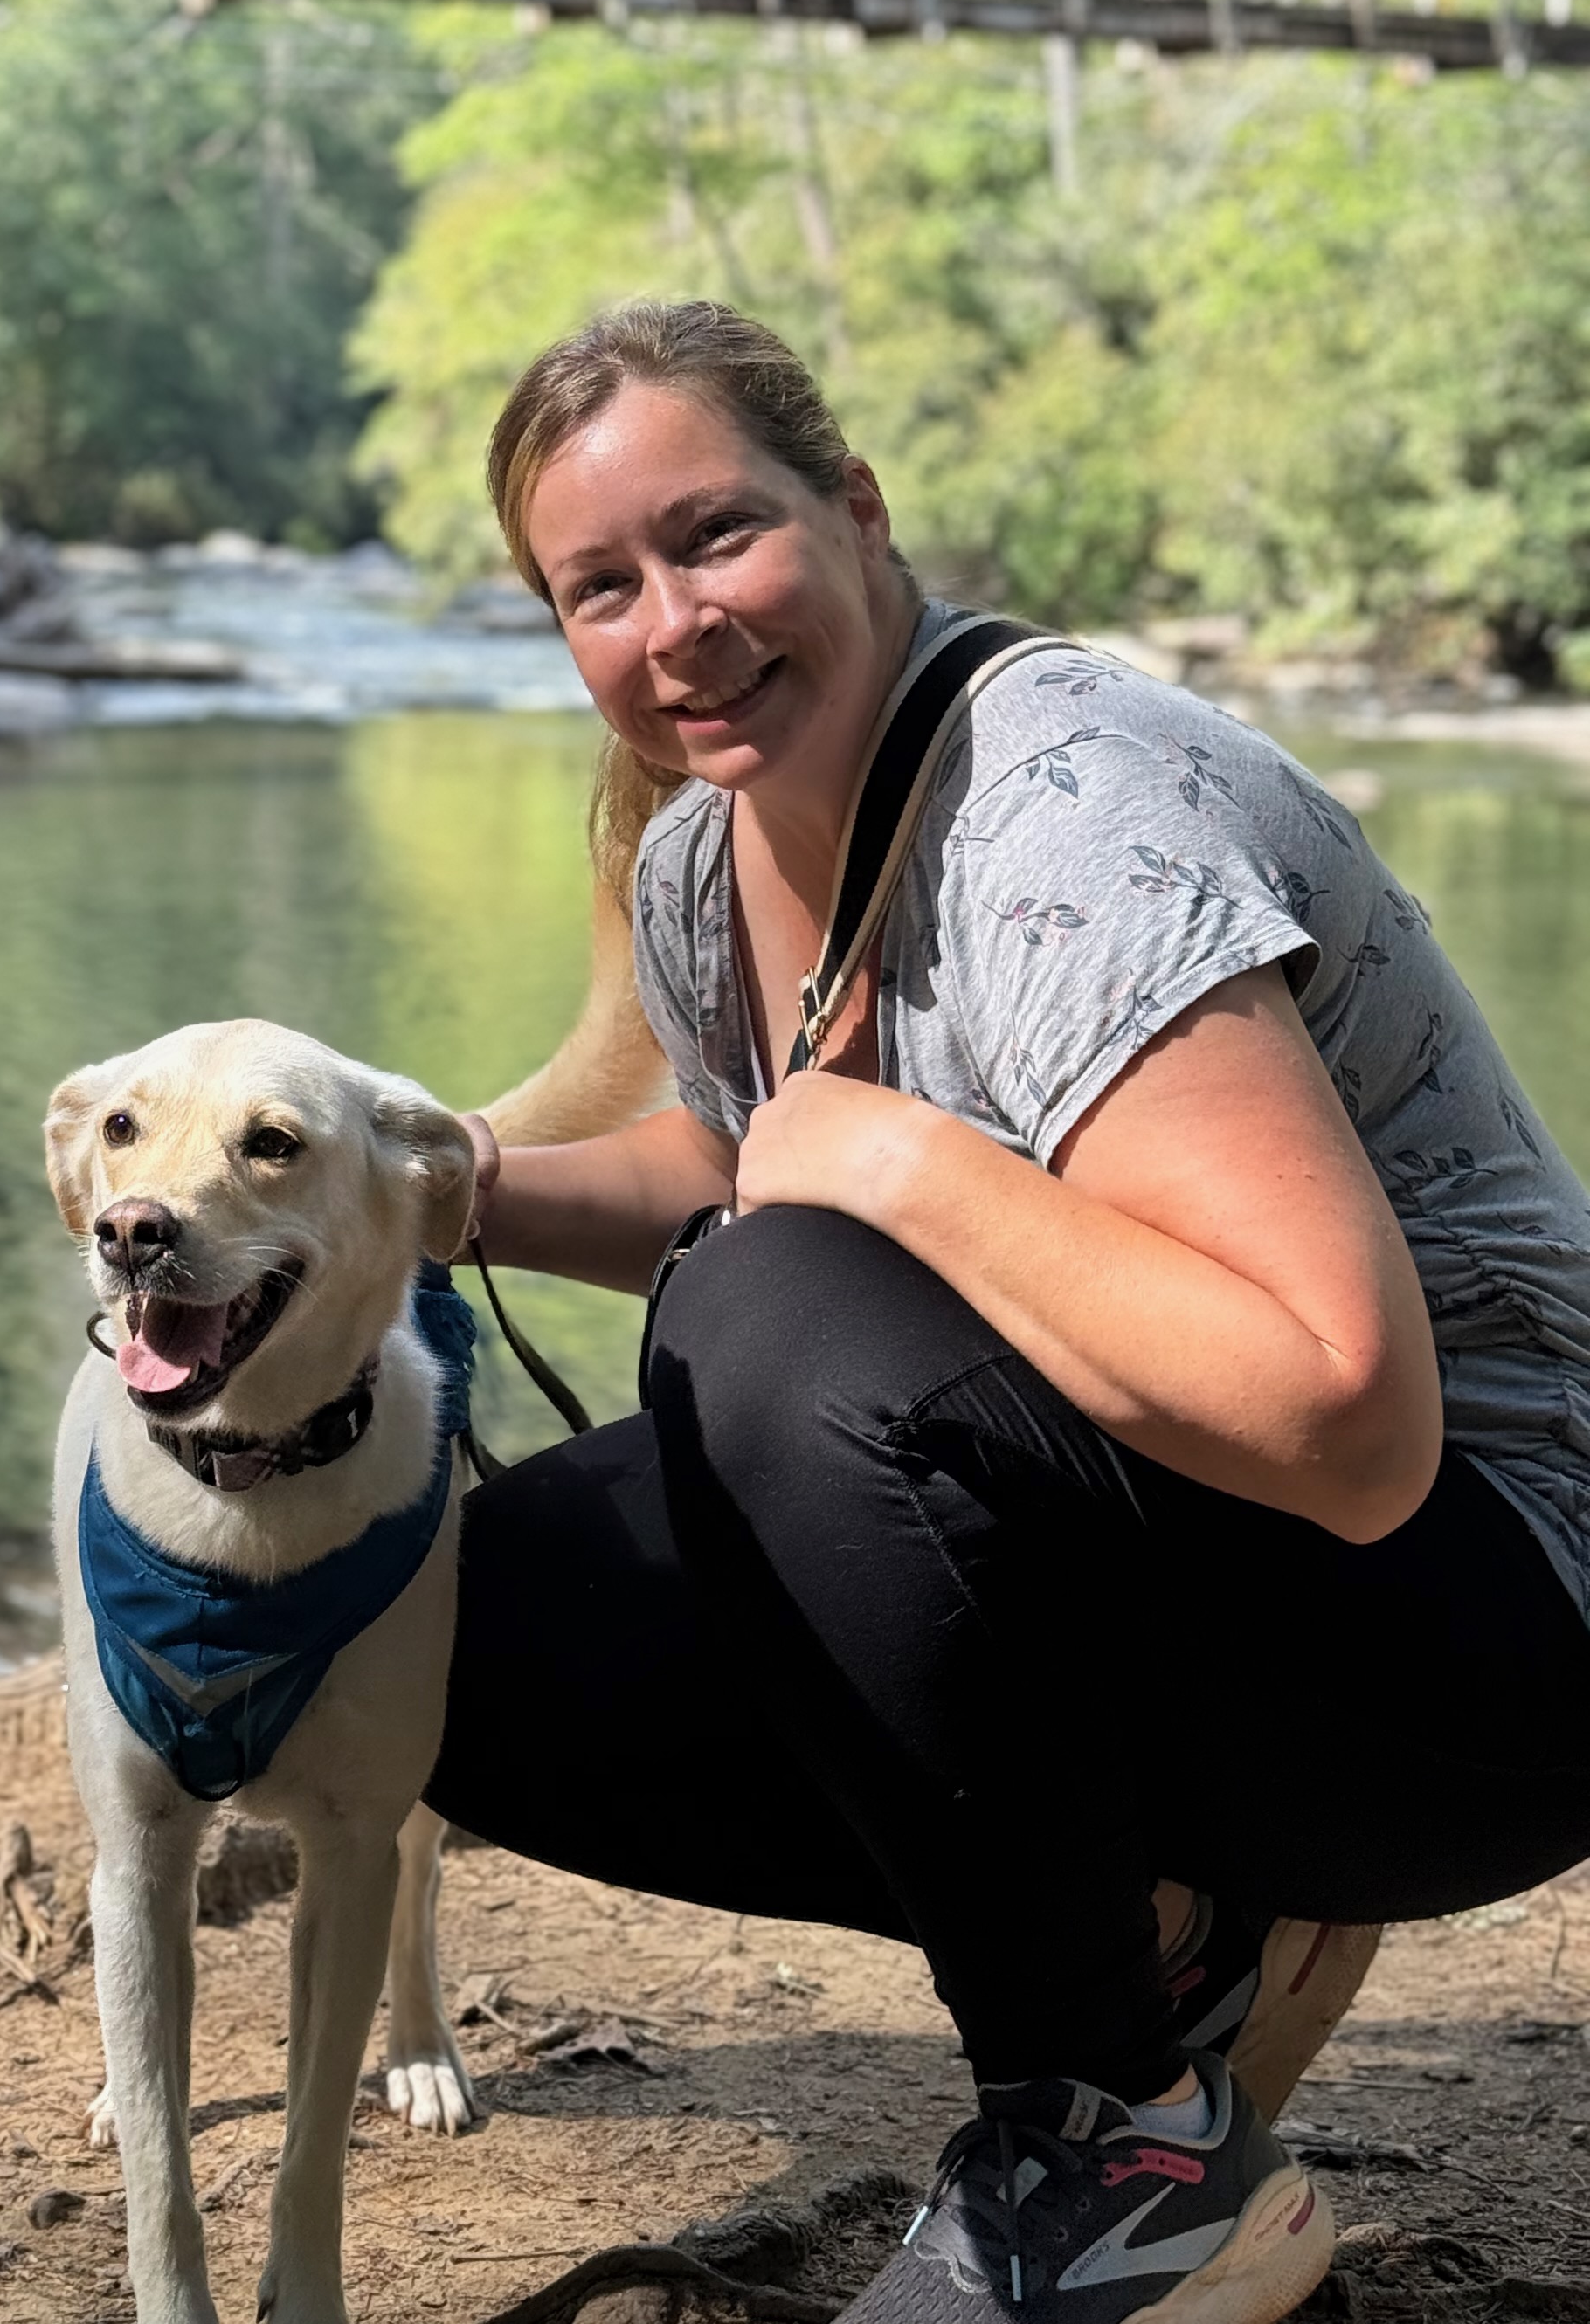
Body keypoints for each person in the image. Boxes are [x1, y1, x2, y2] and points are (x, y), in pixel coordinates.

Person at [429, 298, 1590, 2324]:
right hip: (1252, 1582)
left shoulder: (1065, 815)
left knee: (766, 1323)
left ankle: (1118, 2153)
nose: (672, 625)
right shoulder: (714, 862)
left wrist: (886, 1162)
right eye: (594, 586)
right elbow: (747, 1171)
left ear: (860, 509)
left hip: (1501, 1626)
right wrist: (435, 1192)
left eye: (716, 537)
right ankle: (1172, 1939)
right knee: (454, 1620)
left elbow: (1342, 1407)